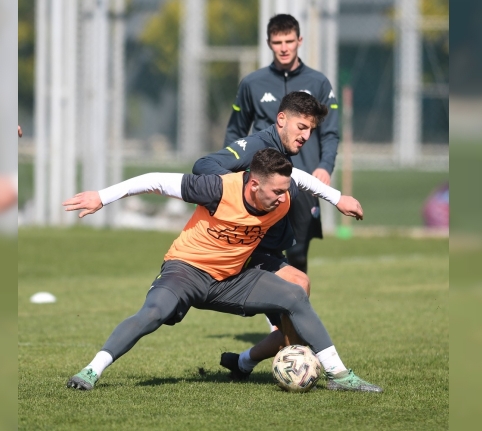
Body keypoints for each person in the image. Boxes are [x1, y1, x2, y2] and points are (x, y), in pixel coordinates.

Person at [62, 149, 382, 393]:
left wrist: (338, 199)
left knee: (296, 295)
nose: (284, 198)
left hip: (232, 279)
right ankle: (92, 370)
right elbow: (154, 180)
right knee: (154, 313)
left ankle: (339, 375)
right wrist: (100, 198)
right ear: (254, 184)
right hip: (187, 270)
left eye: (286, 190)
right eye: (277, 192)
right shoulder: (215, 189)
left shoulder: (280, 189)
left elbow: (299, 177)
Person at [194, 91, 339, 379]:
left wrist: (337, 198)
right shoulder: (258, 146)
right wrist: (245, 192)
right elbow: (204, 166)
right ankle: (331, 373)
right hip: (249, 252)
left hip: (271, 252)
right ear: (281, 119)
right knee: (299, 291)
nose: (307, 136)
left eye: (311, 129)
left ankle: (243, 363)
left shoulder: (281, 154)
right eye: (302, 127)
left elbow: (298, 179)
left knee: (291, 331)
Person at [223, 13, 340, 276]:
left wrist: (324, 166)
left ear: (299, 40)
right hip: (264, 180)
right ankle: (274, 314)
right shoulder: (252, 83)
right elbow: (236, 131)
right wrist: (231, 172)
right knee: (260, 251)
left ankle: (292, 313)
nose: (284, 48)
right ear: (269, 43)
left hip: (304, 181)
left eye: (289, 40)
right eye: (278, 42)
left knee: (298, 253)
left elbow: (331, 132)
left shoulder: (318, 82)